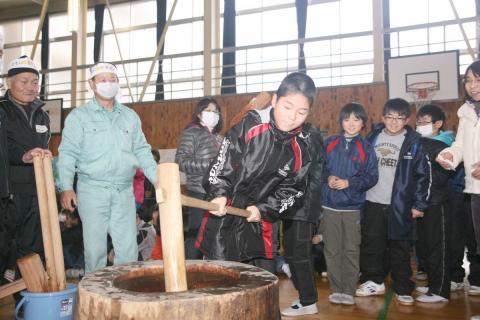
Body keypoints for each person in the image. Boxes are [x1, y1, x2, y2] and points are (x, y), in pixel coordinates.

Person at [196, 72, 321, 316]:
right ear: (274, 100)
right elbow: (223, 164)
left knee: (263, 284)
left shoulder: (302, 147)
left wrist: (264, 209)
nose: (292, 117)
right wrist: (219, 195)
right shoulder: (250, 125)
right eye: (287, 107)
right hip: (227, 213)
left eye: (301, 112)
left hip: (261, 221)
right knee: (221, 279)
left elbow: (294, 189)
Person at [57, 62, 158, 273]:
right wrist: (66, 186)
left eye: (112, 80)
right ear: (92, 85)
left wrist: (159, 179)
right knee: (95, 252)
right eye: (102, 80)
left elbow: (142, 150)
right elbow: (67, 154)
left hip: (123, 191)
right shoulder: (79, 117)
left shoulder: (130, 117)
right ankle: (96, 301)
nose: (108, 84)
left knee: (128, 250)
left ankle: (125, 297)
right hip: (92, 190)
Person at [356, 98, 430, 306]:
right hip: (372, 201)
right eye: (390, 118)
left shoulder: (414, 142)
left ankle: (403, 287)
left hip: (400, 205)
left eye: (399, 118)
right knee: (372, 245)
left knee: (400, 247)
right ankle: (373, 281)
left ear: (407, 120)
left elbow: (423, 176)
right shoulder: (373, 137)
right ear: (383, 118)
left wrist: (419, 204)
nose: (394, 122)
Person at [321, 103, 378, 306]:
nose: (351, 124)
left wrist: (349, 183)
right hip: (329, 207)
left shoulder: (367, 147)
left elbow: (371, 177)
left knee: (351, 250)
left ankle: (349, 289)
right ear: (341, 122)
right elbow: (320, 168)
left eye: (356, 119)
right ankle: (337, 289)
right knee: (332, 250)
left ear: (363, 123)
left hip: (353, 208)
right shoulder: (329, 143)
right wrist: (328, 177)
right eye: (347, 119)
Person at [0, 56, 52, 276]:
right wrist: (22, 155)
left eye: (34, 82)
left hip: (35, 192)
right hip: (7, 192)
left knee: (30, 249)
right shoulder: (2, 111)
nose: (30, 87)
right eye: (24, 81)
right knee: (3, 247)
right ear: (8, 82)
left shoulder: (43, 115)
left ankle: (24, 301)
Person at [437, 60, 480, 296]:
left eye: (478, 79)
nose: (473, 85)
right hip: (474, 191)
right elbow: (461, 145)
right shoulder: (466, 112)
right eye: (469, 80)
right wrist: (449, 156)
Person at [414, 104, 454, 303]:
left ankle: (440, 290)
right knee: (426, 246)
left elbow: (440, 176)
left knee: (439, 246)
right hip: (423, 203)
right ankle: (433, 283)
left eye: (425, 123)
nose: (420, 126)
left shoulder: (444, 145)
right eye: (418, 122)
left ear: (438, 124)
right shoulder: (422, 142)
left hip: (438, 202)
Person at [175, 97, 223, 259]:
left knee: (216, 237)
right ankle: (189, 269)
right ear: (199, 113)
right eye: (209, 110)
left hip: (218, 193)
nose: (213, 114)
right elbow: (181, 161)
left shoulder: (219, 138)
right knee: (196, 235)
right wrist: (210, 165)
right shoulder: (191, 132)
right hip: (199, 192)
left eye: (216, 111)